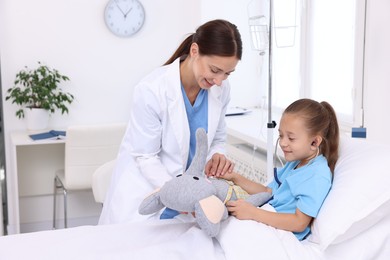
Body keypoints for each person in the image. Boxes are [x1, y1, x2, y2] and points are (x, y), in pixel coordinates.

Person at [99, 19, 242, 224]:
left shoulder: (221, 89)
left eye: (227, 73)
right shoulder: (151, 89)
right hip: (148, 193)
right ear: (195, 51)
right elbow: (146, 157)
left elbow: (218, 137)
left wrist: (217, 155)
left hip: (189, 198)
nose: (219, 81)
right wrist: (183, 194)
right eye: (214, 70)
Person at [212, 98, 339, 240]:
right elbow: (268, 191)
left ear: (314, 142)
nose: (283, 143)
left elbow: (299, 223)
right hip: (267, 220)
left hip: (282, 234)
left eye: (291, 138)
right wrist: (235, 177)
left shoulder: (317, 175)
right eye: (281, 135)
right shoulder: (296, 163)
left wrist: (253, 213)